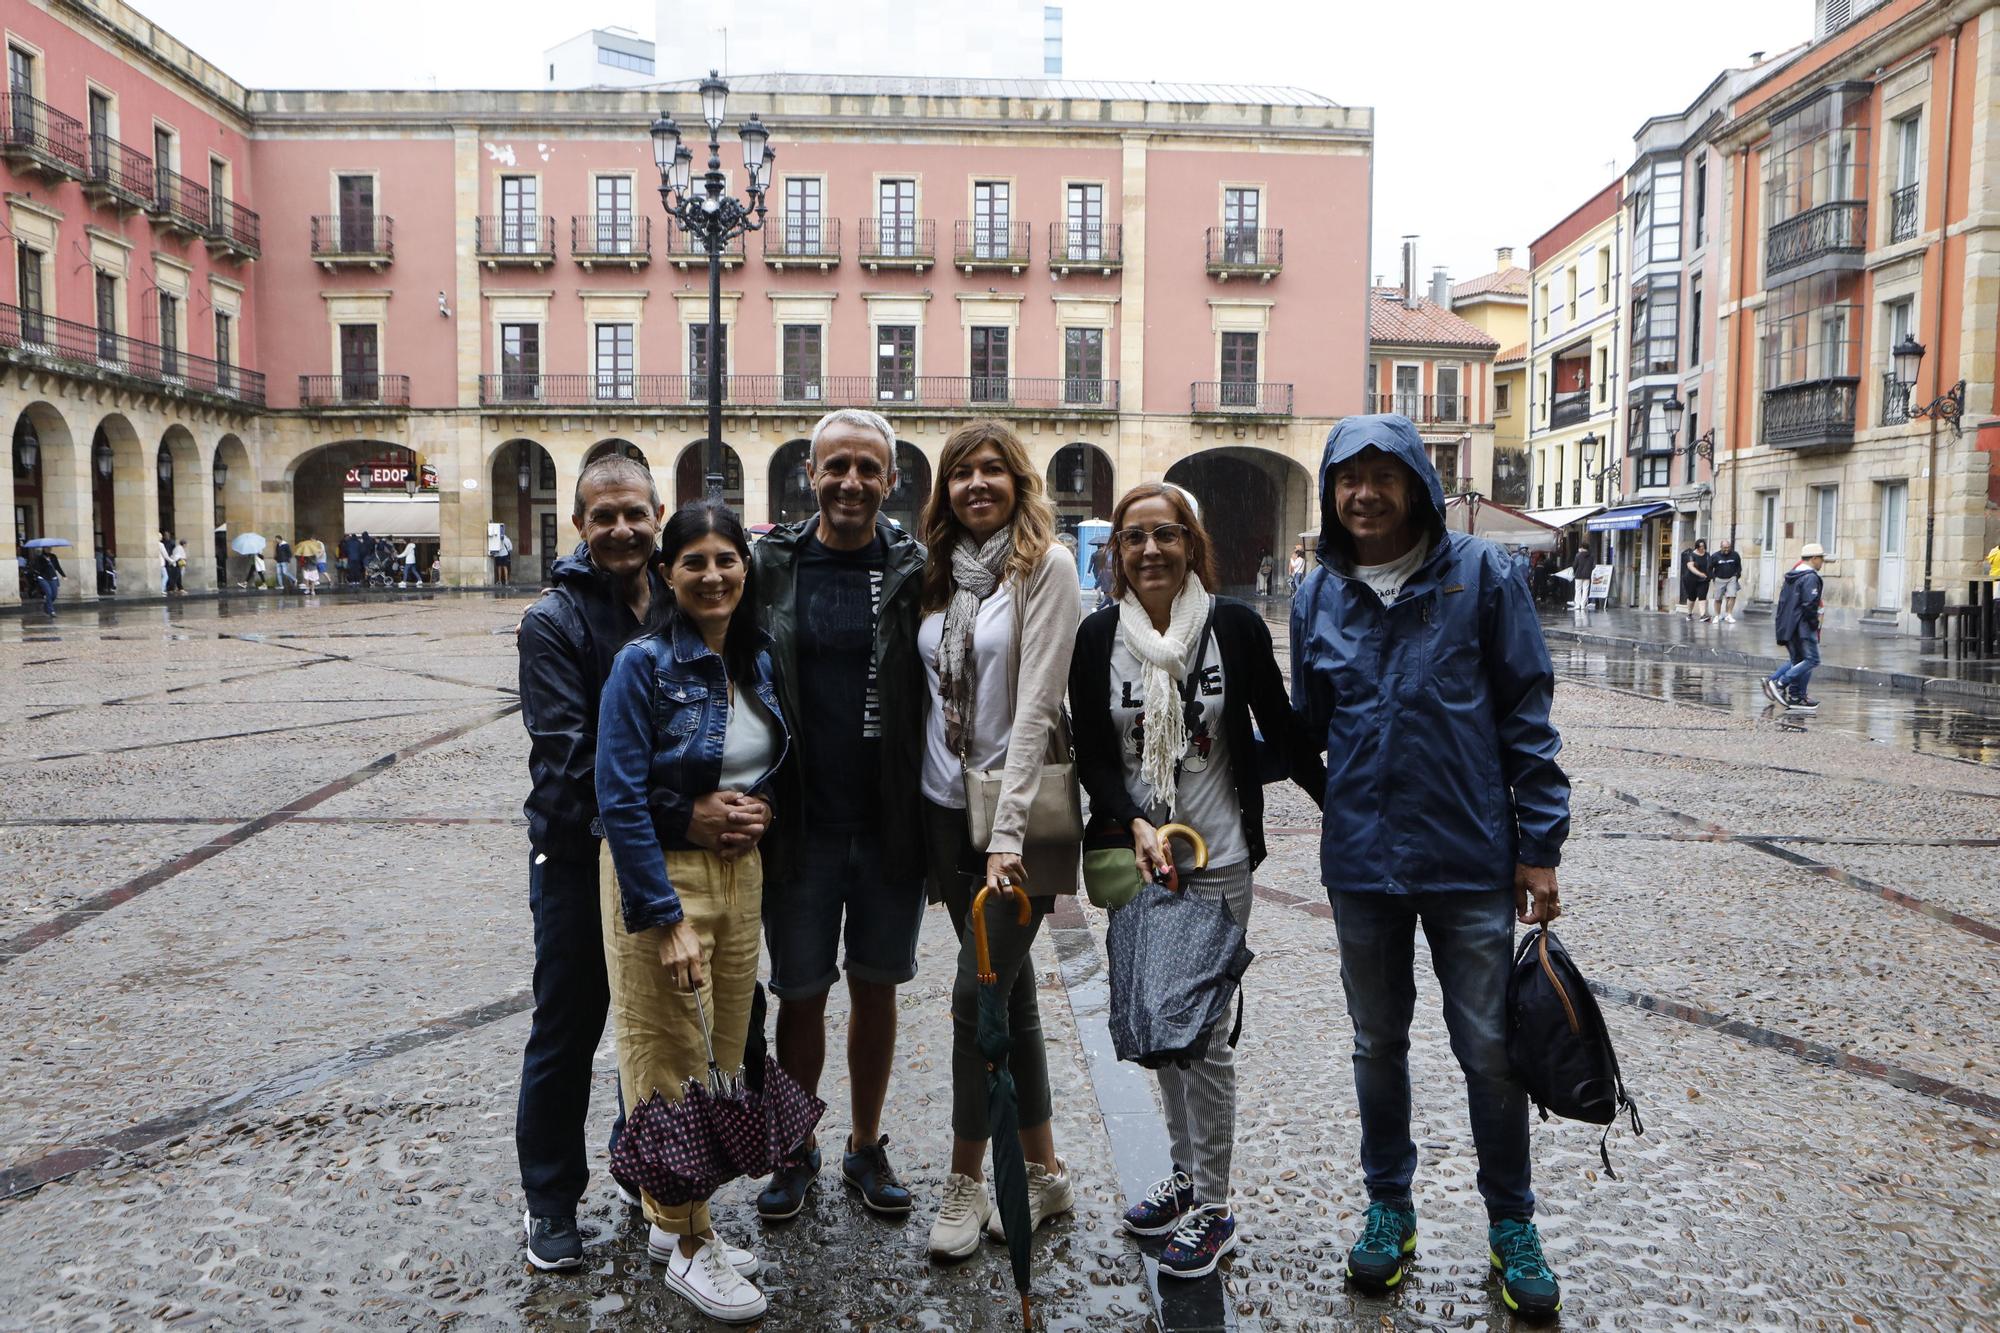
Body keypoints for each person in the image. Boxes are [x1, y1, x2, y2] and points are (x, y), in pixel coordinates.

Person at [1292, 414, 1570, 1318]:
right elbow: (1307, 726)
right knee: (1378, 1042)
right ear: (1331, 492)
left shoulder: (1482, 575)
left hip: (1468, 854)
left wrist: (1539, 845)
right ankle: (1389, 1209)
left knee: (1489, 1049)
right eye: (1347, 478)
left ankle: (1511, 1223)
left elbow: (1525, 709)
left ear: (1416, 482)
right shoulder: (1317, 593)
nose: (1364, 493)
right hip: (1363, 862)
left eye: (1383, 475)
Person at [516, 458, 763, 1274]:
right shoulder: (554, 621)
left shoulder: (682, 592)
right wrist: (680, 811)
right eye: (602, 516)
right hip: (576, 849)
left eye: (633, 514)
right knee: (571, 1018)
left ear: (658, 518)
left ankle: (650, 1175)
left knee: (671, 1030)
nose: (620, 528)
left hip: (669, 856)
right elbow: (573, 760)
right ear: (579, 526)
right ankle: (550, 1198)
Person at [1070, 482, 1302, 1279]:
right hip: (1142, 862)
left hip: (1220, 862)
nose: (1150, 550)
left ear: (1191, 545)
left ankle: (1215, 1203)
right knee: (1162, 1035)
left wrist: (1352, 802)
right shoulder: (1099, 635)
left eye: (1166, 535)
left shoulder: (1231, 627)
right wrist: (1128, 818)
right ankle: (1183, 1179)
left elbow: (1282, 728)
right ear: (1117, 554)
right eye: (1134, 538)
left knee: (1201, 1037)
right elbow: (1098, 757)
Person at [597, 501, 786, 1323]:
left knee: (720, 1057)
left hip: (740, 879)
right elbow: (618, 797)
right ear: (667, 574)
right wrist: (664, 917)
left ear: (746, 567)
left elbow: (760, 760)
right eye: (695, 562)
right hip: (664, 880)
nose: (714, 575)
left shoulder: (755, 658)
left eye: (727, 559)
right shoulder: (641, 665)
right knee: (668, 1059)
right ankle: (687, 1243)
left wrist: (763, 809)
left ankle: (677, 1217)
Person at [749, 409, 930, 1223]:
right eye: (837, 466)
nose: (852, 482)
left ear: (890, 481)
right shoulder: (772, 565)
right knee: (800, 992)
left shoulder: (917, 568)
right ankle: (795, 1146)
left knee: (878, 987)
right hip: (801, 818)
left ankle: (863, 1141)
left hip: (891, 817)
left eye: (868, 468)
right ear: (809, 474)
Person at [916, 419, 1082, 1259]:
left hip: (1009, 830)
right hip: (945, 815)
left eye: (993, 470)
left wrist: (1005, 834)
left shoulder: (1045, 569)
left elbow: (1035, 711)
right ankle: (1047, 1172)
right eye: (960, 473)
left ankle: (965, 1180)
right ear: (943, 490)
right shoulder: (938, 576)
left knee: (970, 1003)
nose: (977, 484)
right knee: (1007, 998)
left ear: (1019, 480)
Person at [1763, 541, 1826, 713]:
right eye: (1821, 559)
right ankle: (1779, 682)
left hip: (1789, 626)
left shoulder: (1792, 576)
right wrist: (1814, 624)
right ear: (1814, 558)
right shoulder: (1810, 577)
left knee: (1798, 661)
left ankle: (1797, 697)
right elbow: (1809, 604)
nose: (1822, 562)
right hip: (1803, 627)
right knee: (1812, 660)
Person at [1706, 538, 1743, 623]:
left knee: (1732, 595)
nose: (1727, 549)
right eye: (1725, 548)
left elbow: (1739, 566)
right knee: (1718, 598)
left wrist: (1737, 575)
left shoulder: (1735, 555)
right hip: (1719, 578)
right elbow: (1709, 568)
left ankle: (1729, 615)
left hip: (1731, 578)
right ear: (1721, 547)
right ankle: (1717, 615)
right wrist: (1713, 577)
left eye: (1728, 547)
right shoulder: (1715, 556)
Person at [1678, 538, 1711, 621]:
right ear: (1697, 547)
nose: (1702, 548)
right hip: (1691, 579)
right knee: (1692, 597)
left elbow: (1710, 565)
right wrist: (1700, 574)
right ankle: (1689, 614)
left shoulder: (1707, 555)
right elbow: (1690, 566)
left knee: (1702, 596)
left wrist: (1710, 575)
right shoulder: (1691, 555)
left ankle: (1703, 615)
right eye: (1700, 546)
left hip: (1703, 580)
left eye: (1703, 546)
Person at [28, 547, 63, 615]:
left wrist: (63, 575)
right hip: (43, 577)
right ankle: (51, 611)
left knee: (54, 595)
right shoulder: (39, 557)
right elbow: (37, 568)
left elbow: (57, 566)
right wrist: (46, 562)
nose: (49, 549)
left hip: (52, 577)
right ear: (44, 549)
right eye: (47, 548)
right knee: (49, 593)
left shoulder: (53, 556)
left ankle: (46, 605)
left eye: (50, 548)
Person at [1569, 541, 1593, 611]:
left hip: (1578, 575)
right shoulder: (1591, 556)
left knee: (1578, 589)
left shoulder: (1578, 555)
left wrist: (1573, 570)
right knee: (1585, 590)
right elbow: (1593, 566)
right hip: (1587, 575)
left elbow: (1575, 565)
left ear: (1582, 547)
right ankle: (1583, 605)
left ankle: (1577, 605)